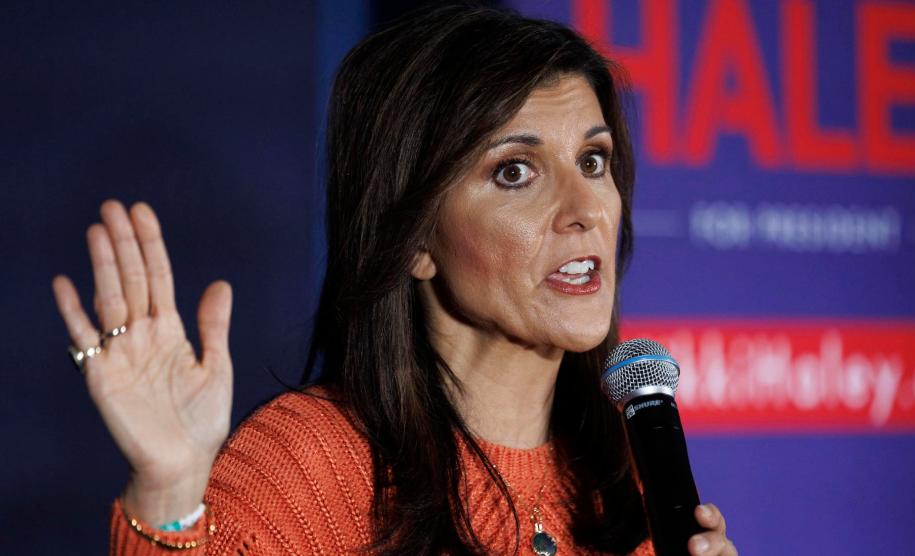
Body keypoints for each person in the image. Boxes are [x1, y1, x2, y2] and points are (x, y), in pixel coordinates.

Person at [53, 5, 737, 555]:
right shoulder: (307, 466)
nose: (585, 209)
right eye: (514, 172)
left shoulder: (623, 477)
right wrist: (170, 499)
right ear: (412, 238)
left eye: (593, 160)